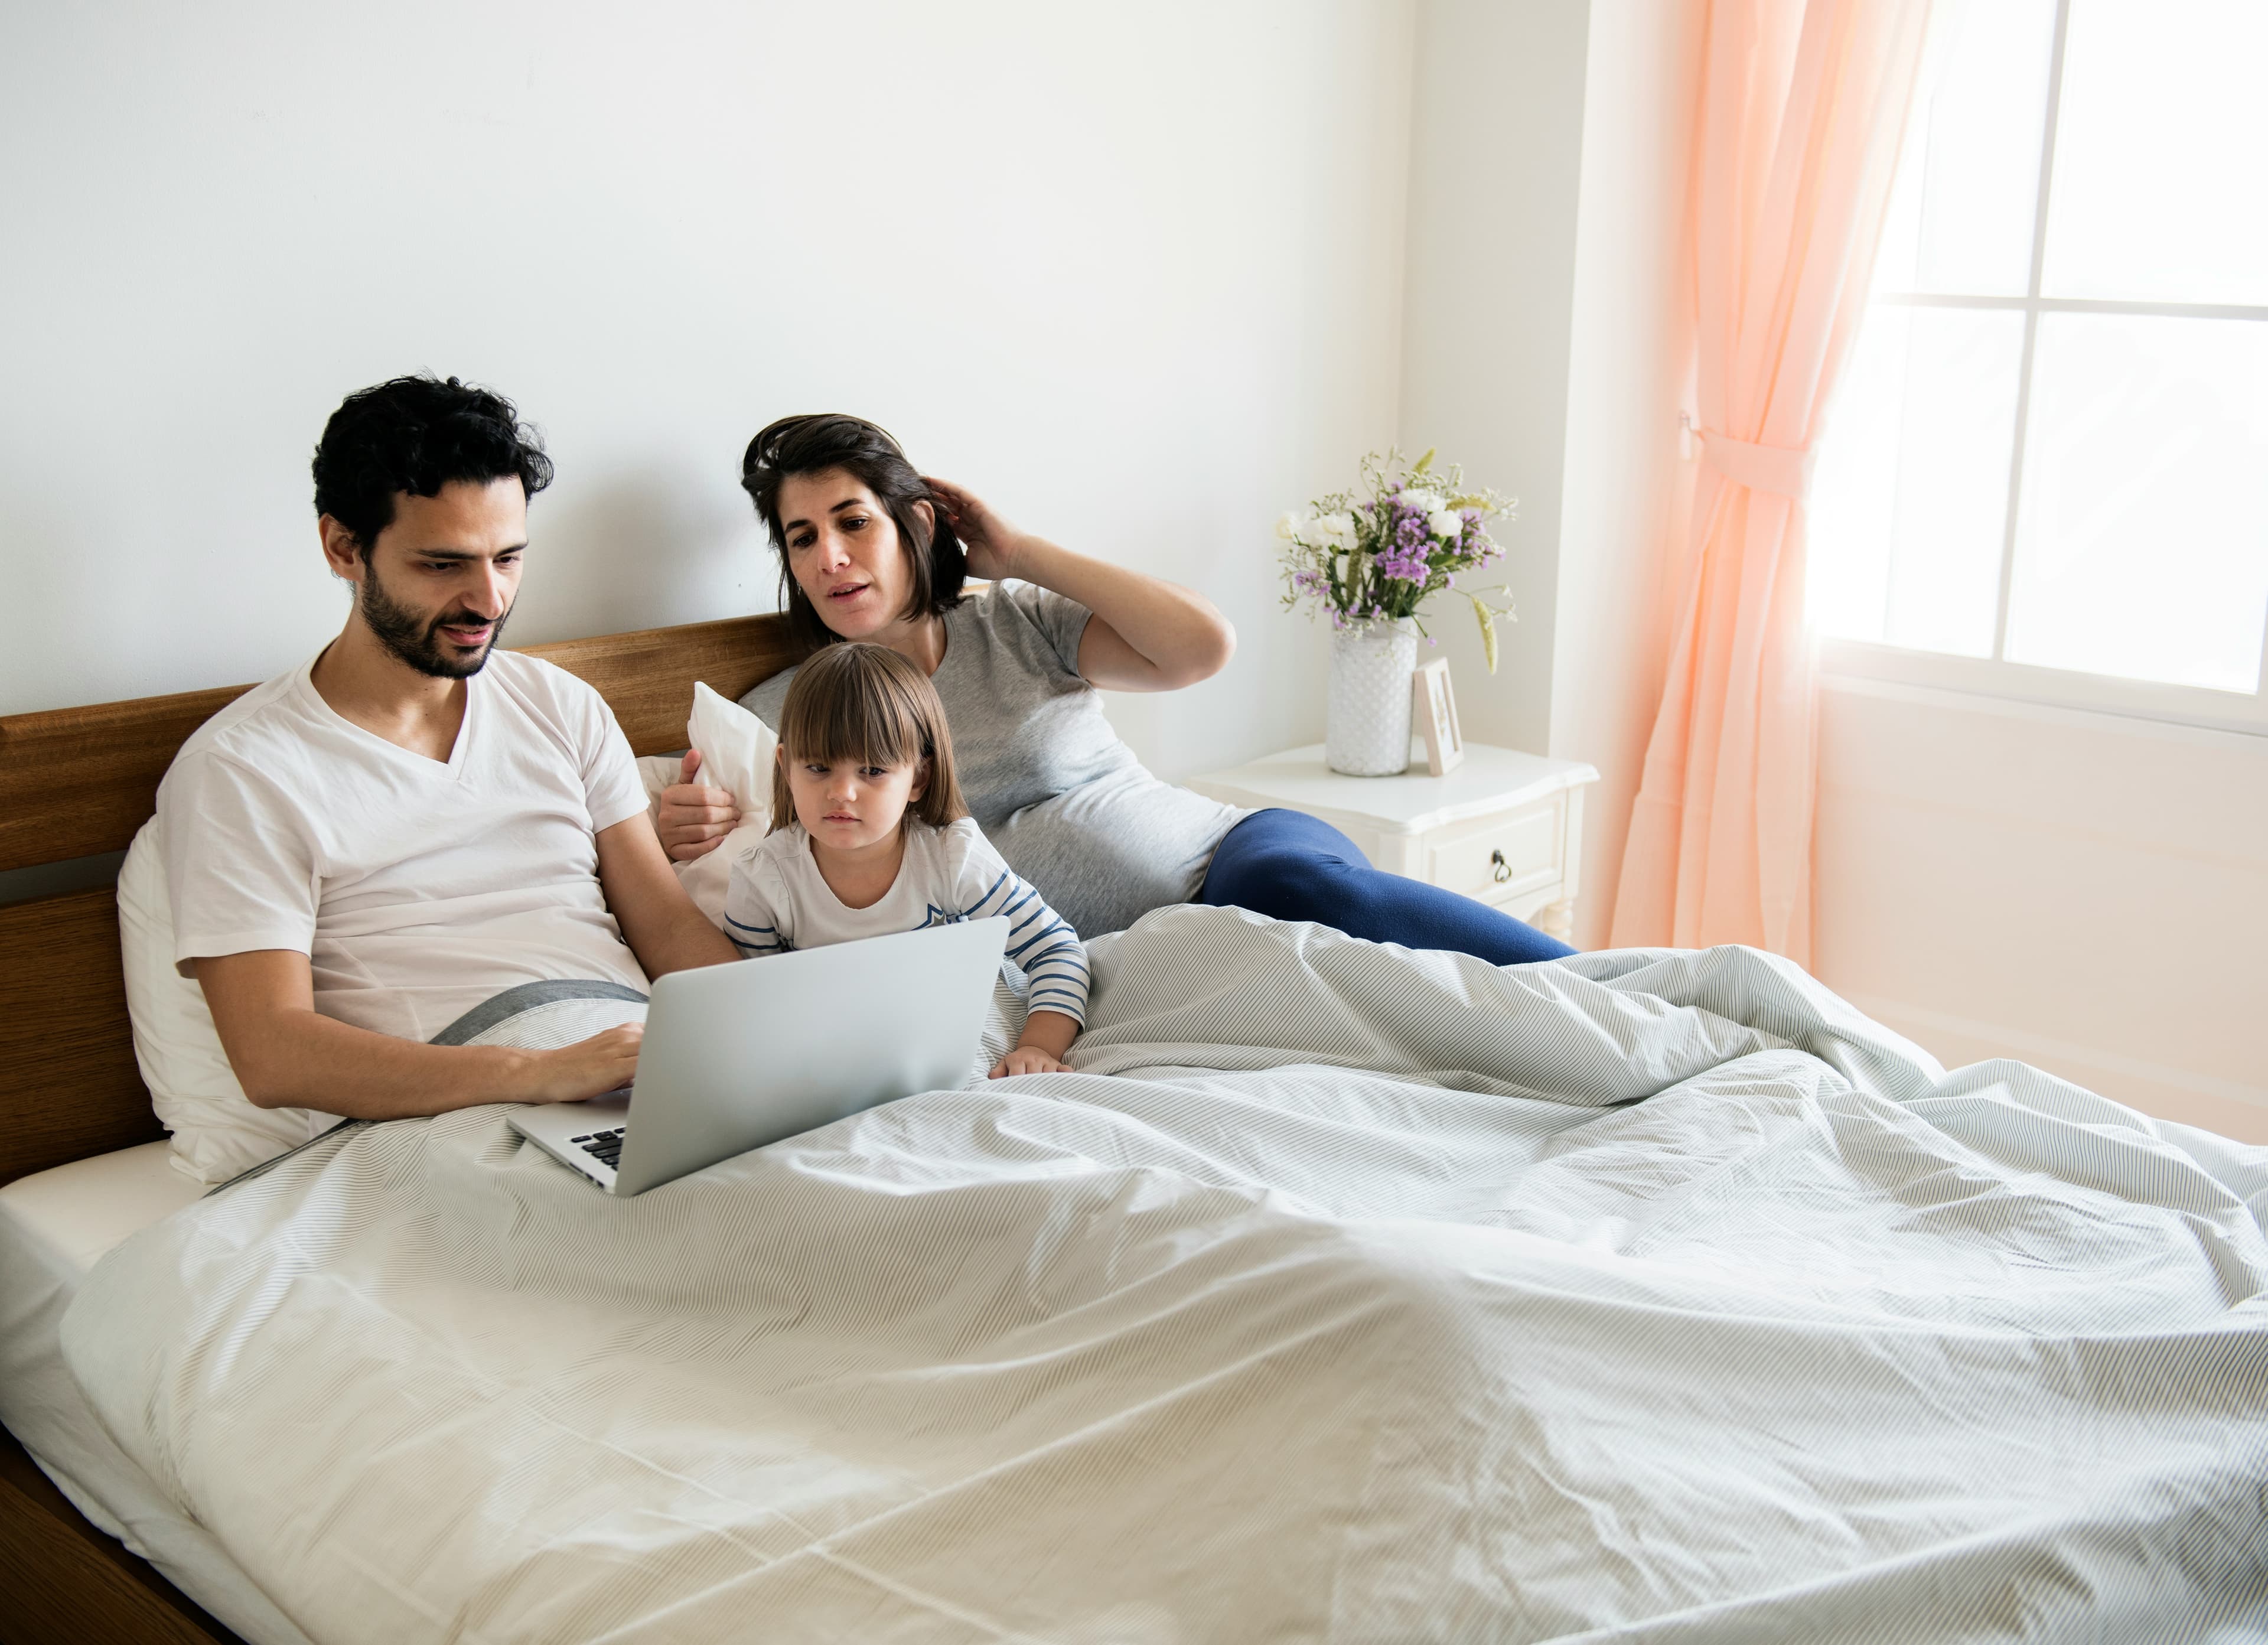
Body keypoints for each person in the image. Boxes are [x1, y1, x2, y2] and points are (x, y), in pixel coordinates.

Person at [659, 413, 1577, 966]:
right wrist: (680, 827)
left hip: (1230, 860)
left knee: (1307, 890)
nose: (830, 556)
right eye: (802, 538)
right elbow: (721, 849)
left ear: (917, 524)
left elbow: (1201, 648)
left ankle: (1597, 985)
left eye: (853, 522)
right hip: (1125, 965)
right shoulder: (783, 712)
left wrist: (1019, 554)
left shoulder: (1014, 623)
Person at [160, 375, 740, 1122]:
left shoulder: (560, 707)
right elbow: (273, 1054)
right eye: (443, 565)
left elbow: (667, 926)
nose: (490, 601)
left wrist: (764, 1038)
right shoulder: (242, 769)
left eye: (508, 558)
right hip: (453, 1113)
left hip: (640, 1075)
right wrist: (539, 1073)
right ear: (344, 548)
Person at [724, 643, 1088, 1078]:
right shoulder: (763, 880)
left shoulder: (952, 859)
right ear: (786, 768)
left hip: (957, 1036)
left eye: (872, 771)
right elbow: (749, 1009)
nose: (842, 792)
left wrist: (1038, 1048)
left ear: (919, 777)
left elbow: (1056, 949)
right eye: (818, 768)